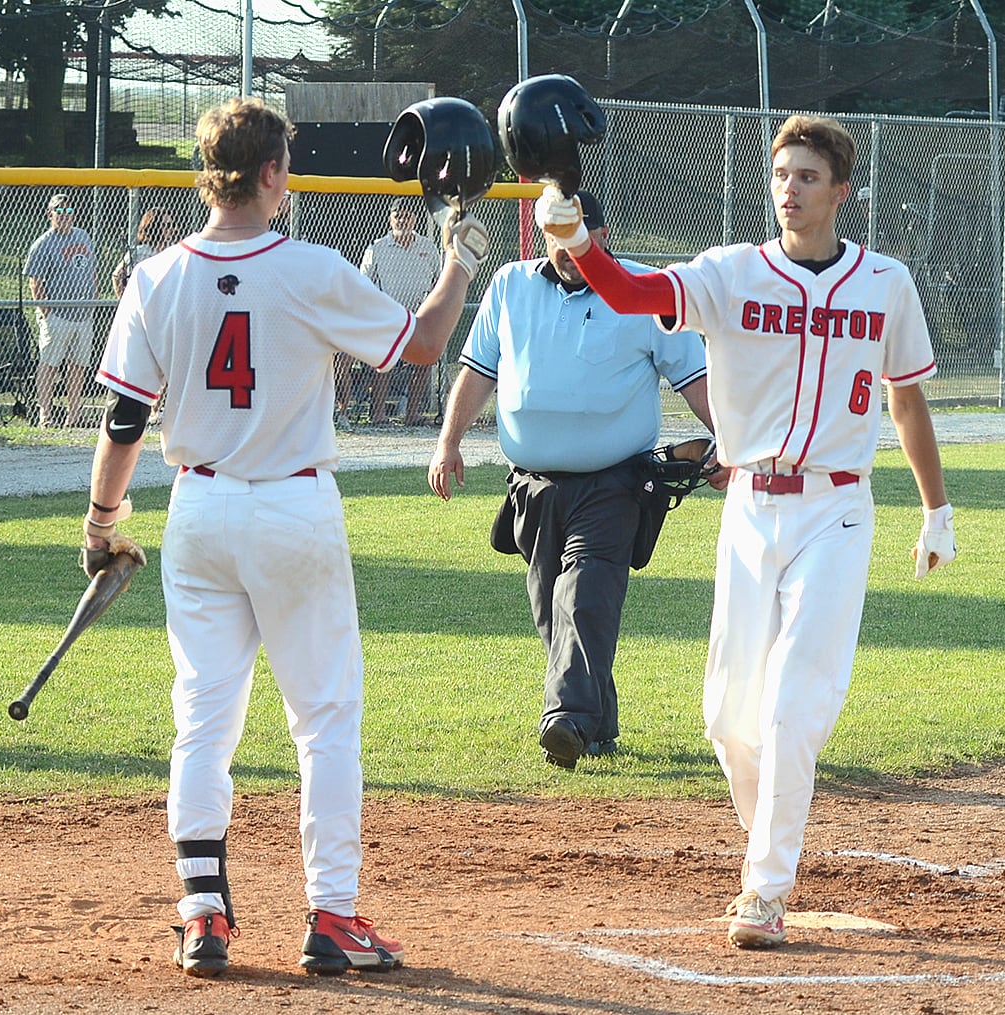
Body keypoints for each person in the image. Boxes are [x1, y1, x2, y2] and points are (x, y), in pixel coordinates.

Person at [80, 96, 489, 978]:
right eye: (286, 164)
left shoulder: (155, 275)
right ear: (270, 173)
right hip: (294, 507)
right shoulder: (309, 266)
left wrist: (101, 524)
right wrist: (459, 265)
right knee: (325, 719)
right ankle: (333, 916)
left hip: (198, 508)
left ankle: (201, 913)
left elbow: (121, 421)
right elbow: (420, 347)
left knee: (203, 718)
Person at [536, 115, 957, 948]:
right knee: (728, 719)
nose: (789, 189)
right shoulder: (729, 273)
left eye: (806, 175)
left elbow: (905, 400)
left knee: (792, 705)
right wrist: (578, 240)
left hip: (836, 508)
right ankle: (771, 842)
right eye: (780, 174)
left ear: (840, 190)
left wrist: (935, 508)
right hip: (749, 506)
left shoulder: (885, 282)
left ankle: (763, 889)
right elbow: (631, 294)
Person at [428, 190, 725, 770]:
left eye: (579, 238)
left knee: (585, 593)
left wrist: (732, 446)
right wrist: (448, 442)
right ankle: (598, 723)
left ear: (600, 235)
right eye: (558, 238)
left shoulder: (642, 292)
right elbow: (477, 370)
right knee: (552, 609)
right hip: (534, 484)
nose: (568, 250)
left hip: (615, 481)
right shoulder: (510, 286)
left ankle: (565, 719)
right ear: (544, 235)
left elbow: (696, 377)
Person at [336, 197, 442, 427]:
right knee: (386, 360)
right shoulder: (378, 248)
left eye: (407, 215)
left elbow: (438, 280)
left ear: (415, 219)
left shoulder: (428, 247)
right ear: (390, 218)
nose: (403, 220)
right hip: (386, 316)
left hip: (418, 316)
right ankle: (378, 414)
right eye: (398, 216)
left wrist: (428, 305)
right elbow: (364, 283)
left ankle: (412, 414)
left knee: (426, 360)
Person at [24, 192, 98, 428]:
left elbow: (92, 270)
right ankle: (45, 414)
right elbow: (35, 281)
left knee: (78, 365)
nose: (65, 215)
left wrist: (93, 298)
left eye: (68, 211)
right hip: (58, 314)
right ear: (50, 214)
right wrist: (46, 311)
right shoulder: (44, 244)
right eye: (60, 211)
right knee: (50, 363)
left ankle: (74, 414)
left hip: (83, 313)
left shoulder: (83, 237)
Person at [111, 206, 178, 298]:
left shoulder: (173, 251)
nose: (171, 229)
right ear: (155, 227)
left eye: (172, 225)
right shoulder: (141, 252)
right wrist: (123, 299)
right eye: (166, 225)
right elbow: (117, 275)